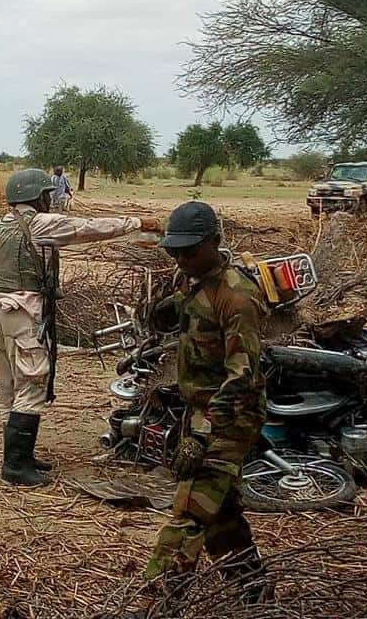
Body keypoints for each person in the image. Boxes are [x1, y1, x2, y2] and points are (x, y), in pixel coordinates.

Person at [0, 168, 161, 486]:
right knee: (32, 382)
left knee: (6, 385)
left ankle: (18, 456)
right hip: (22, 313)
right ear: (38, 198)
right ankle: (15, 466)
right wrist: (137, 223)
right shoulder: (39, 224)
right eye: (47, 195)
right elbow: (89, 228)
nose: (50, 200)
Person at [141, 201, 267, 598]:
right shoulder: (193, 279)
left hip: (231, 415)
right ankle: (253, 593)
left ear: (215, 241)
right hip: (201, 409)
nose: (180, 259)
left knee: (190, 512)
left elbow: (243, 374)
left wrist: (202, 433)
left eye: (189, 250)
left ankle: (154, 600)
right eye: (173, 251)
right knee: (221, 514)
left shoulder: (237, 296)